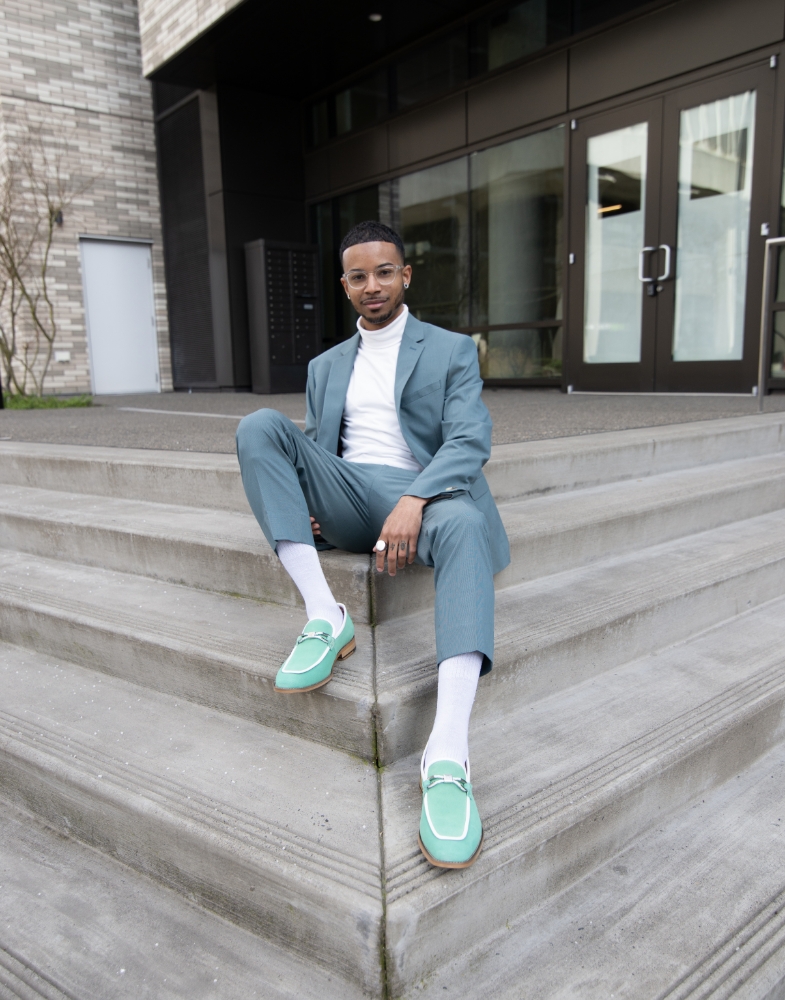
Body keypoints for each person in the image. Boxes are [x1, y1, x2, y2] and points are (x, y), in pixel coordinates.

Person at [236, 220, 510, 869]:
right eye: (358, 276)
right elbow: (311, 442)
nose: (372, 286)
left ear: (405, 274)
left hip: (429, 495)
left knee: (466, 526)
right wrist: (305, 500)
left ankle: (445, 754)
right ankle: (324, 615)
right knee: (259, 426)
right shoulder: (324, 366)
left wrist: (414, 500)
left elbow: (468, 440)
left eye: (383, 271)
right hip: (351, 495)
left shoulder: (448, 350)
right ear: (344, 284)